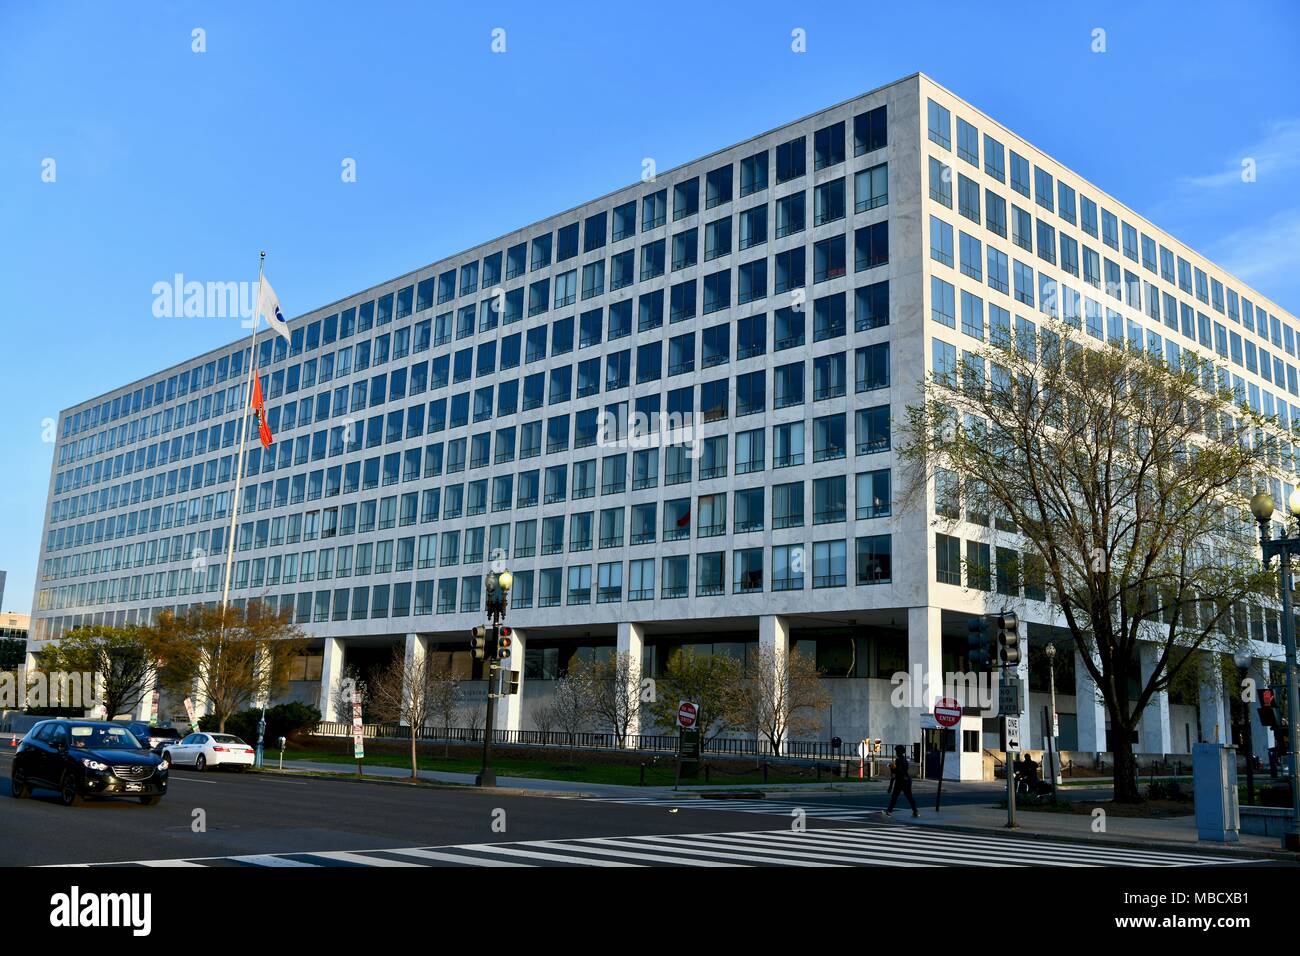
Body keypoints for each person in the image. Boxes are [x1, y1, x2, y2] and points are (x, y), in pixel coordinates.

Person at [885, 744, 919, 817]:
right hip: (907, 780)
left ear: (898, 752)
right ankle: (915, 811)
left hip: (900, 781)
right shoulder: (905, 760)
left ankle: (889, 811)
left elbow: (896, 773)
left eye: (897, 751)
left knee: (894, 796)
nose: (896, 753)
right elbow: (904, 770)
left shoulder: (897, 761)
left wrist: (892, 768)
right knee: (909, 796)